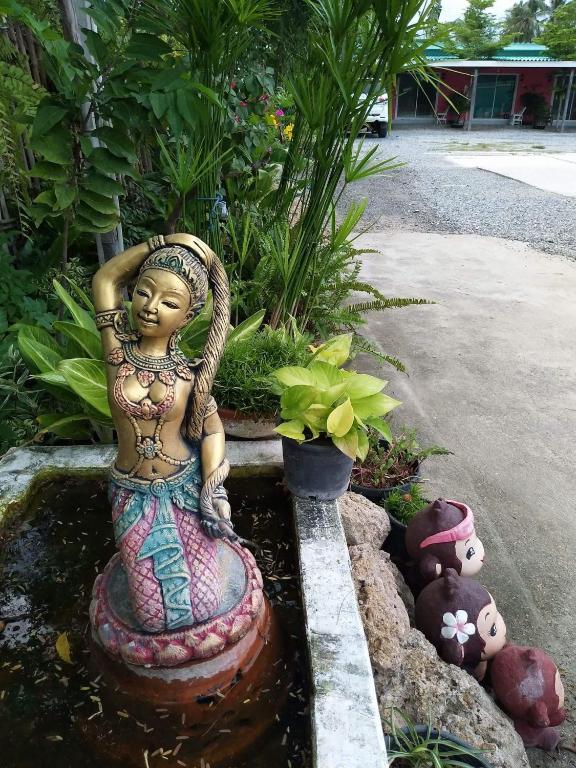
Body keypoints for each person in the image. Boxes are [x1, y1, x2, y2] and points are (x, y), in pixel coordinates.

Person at [92, 233, 234, 633]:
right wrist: (162, 243)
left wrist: (214, 490)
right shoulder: (116, 354)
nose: (151, 307)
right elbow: (105, 280)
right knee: (153, 619)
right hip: (132, 493)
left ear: (187, 317)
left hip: (184, 488)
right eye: (143, 292)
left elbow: (212, 431)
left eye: (169, 303)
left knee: (206, 603)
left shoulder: (189, 375)